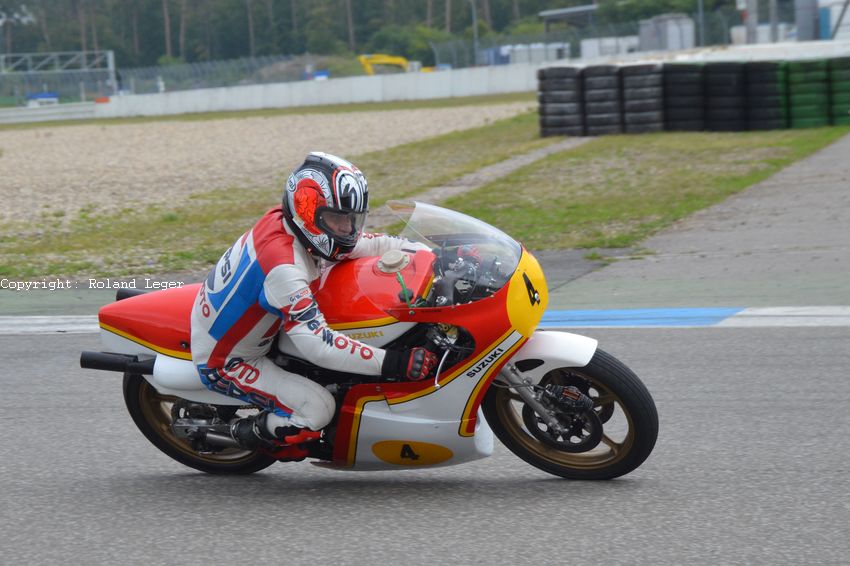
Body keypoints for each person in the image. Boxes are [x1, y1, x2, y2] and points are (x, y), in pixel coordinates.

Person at [190, 152, 439, 454]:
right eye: (338, 219)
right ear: (309, 213)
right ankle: (251, 434)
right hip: (231, 360)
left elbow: (374, 243)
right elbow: (318, 345)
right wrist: (394, 363)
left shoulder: (296, 226)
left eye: (352, 219)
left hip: (265, 322)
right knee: (318, 409)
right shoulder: (284, 268)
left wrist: (435, 256)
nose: (348, 229)